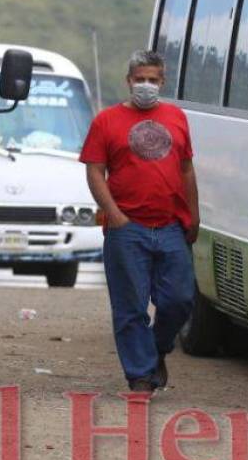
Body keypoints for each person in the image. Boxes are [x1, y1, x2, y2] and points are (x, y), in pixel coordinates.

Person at [80, 50, 200, 393]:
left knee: (179, 300)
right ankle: (141, 376)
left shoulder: (177, 118)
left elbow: (187, 168)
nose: (146, 85)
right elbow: (94, 171)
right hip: (126, 229)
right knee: (130, 306)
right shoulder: (106, 121)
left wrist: (194, 214)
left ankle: (157, 348)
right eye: (140, 79)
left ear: (162, 81)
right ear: (129, 81)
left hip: (171, 226)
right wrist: (114, 215)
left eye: (153, 79)